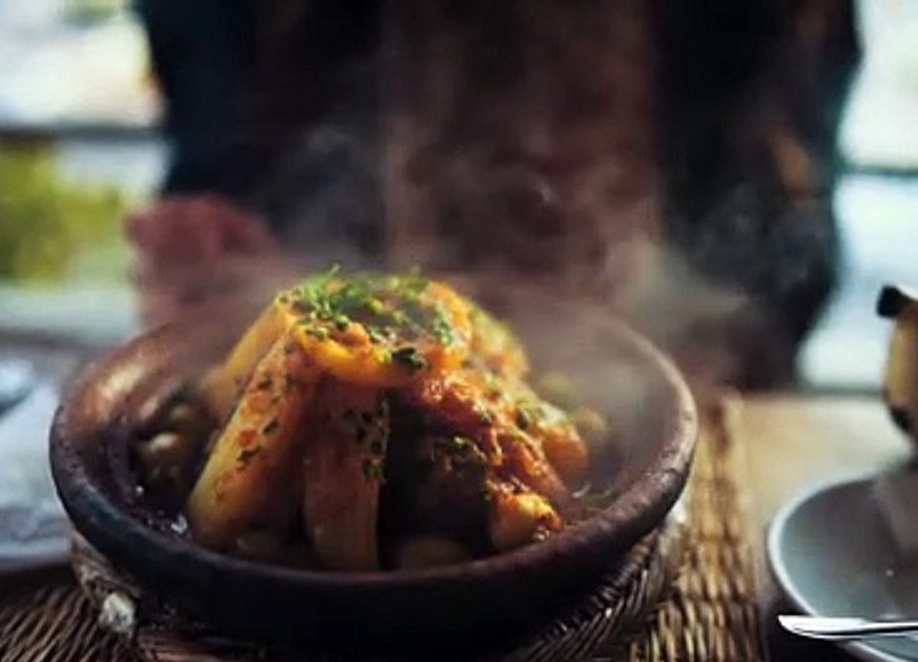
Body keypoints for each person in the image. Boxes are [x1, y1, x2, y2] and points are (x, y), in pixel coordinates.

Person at [128, 0, 860, 389]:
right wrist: (217, 254)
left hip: (690, 414)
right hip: (316, 375)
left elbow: (787, 239)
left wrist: (714, 332)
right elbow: (215, 146)